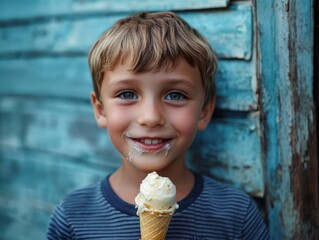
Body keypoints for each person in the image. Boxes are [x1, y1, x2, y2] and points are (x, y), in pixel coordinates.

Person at [47, 12, 269, 239]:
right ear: (101, 110)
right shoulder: (72, 217)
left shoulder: (236, 214)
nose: (151, 117)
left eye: (175, 95)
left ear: (204, 111)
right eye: (127, 94)